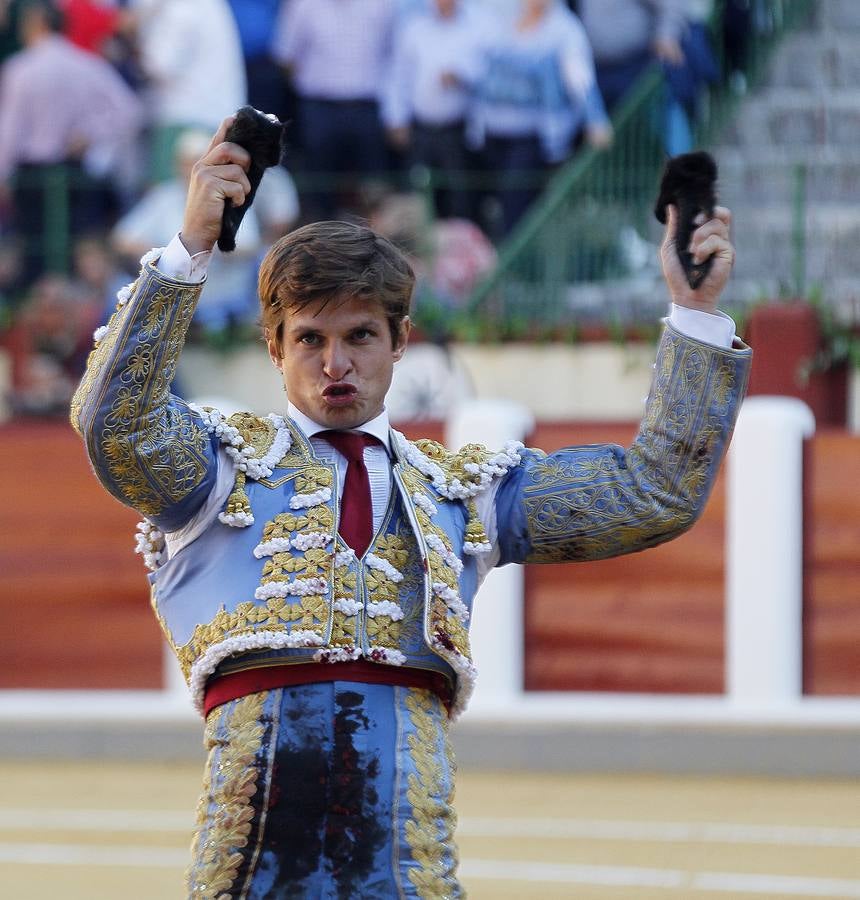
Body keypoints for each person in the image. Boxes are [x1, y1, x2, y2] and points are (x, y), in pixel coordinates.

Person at [71, 116, 751, 896]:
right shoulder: (219, 468)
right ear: (273, 346)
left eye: (360, 336)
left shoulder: (464, 493)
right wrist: (188, 249)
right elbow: (112, 423)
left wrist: (693, 311)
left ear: (400, 342)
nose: (335, 365)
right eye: (308, 340)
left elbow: (651, 492)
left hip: (406, 856)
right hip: (255, 851)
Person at [0, 0, 143, 284]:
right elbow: (129, 110)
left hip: (34, 178)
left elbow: (10, 131)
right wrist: (90, 133)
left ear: (36, 23)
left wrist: (2, 174)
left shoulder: (20, 68)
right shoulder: (85, 63)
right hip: (75, 172)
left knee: (36, 255)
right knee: (76, 254)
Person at [468, 0, 612, 237]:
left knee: (516, 204)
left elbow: (579, 78)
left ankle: (515, 267)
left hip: (531, 137)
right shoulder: (502, 21)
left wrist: (594, 118)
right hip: (491, 133)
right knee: (492, 202)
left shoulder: (564, 28)